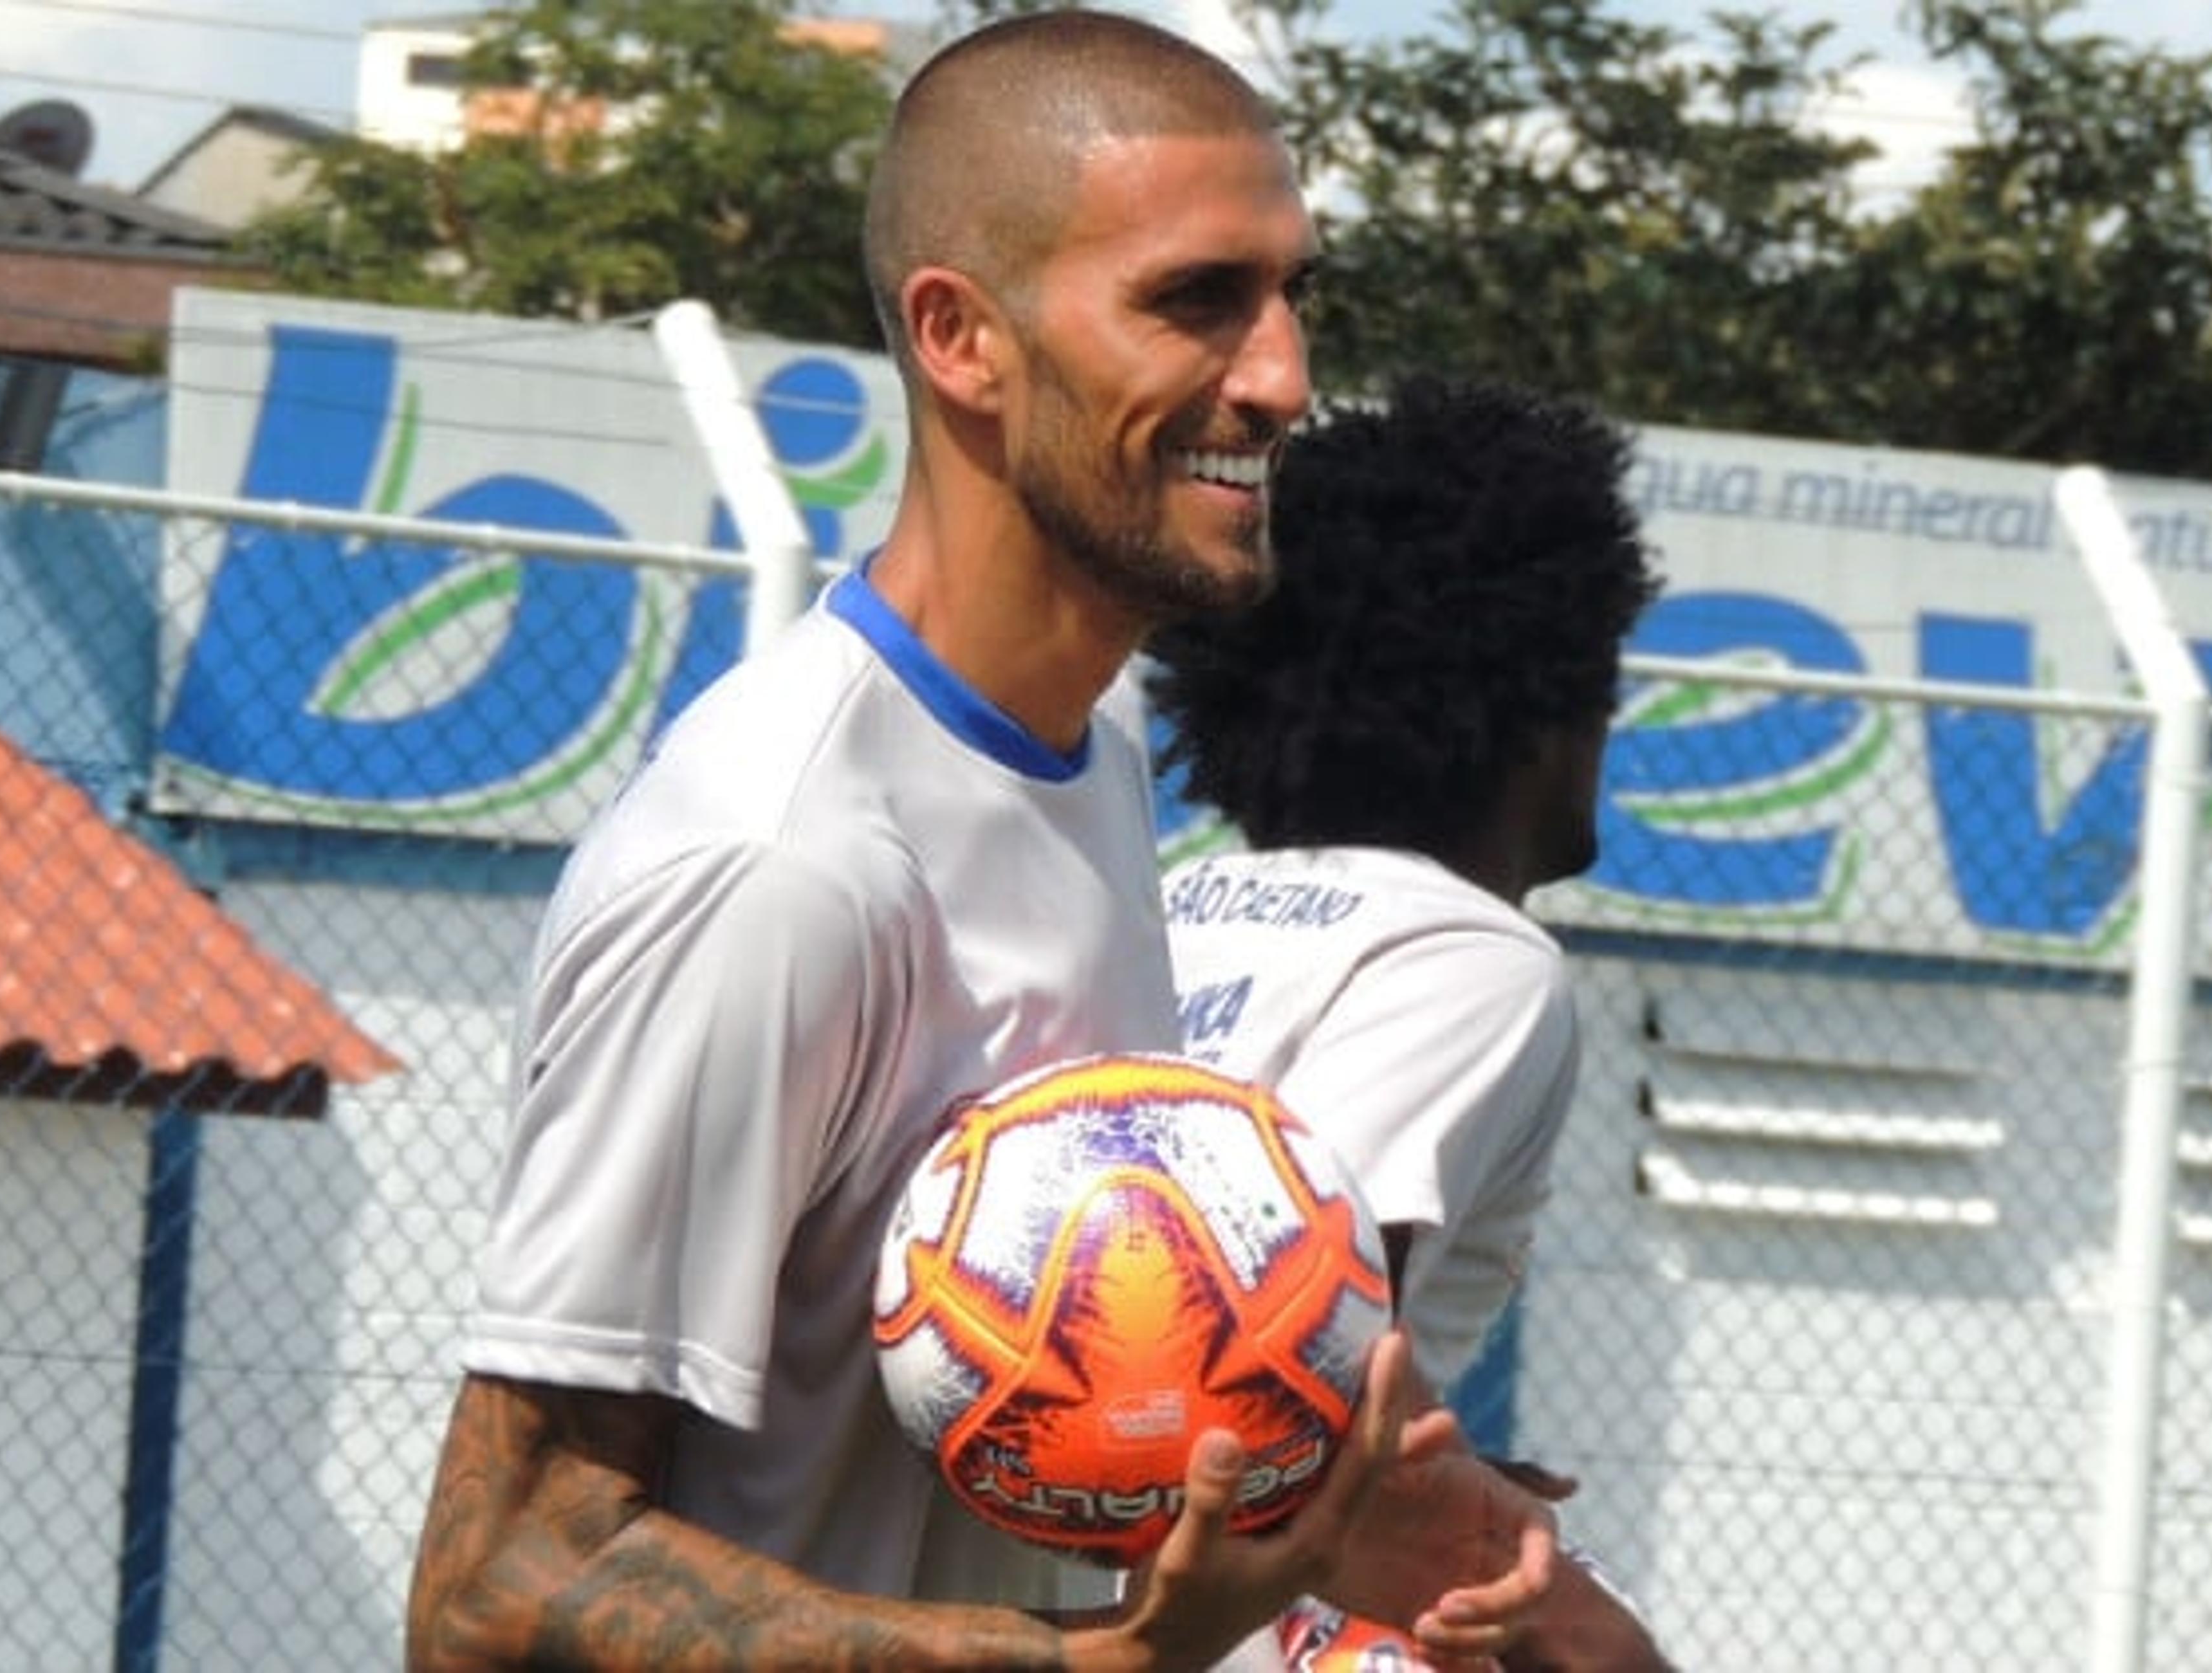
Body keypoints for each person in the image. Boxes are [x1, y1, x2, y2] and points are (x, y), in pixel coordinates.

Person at [405, 16, 1556, 1672]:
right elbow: (497, 1581)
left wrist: (1336, 1487)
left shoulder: (1084, 753)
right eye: (1197, 300)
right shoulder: (778, 860)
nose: (1285, 376)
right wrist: (1076, 1664)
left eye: (1296, 296)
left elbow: (1016, 1410)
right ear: (961, 335)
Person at [1151, 374, 1674, 1670]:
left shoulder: (1173, 903)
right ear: (1548, 706)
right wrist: (1557, 1608)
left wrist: (1440, 1440)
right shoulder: (1472, 957)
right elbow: (1265, 1330)